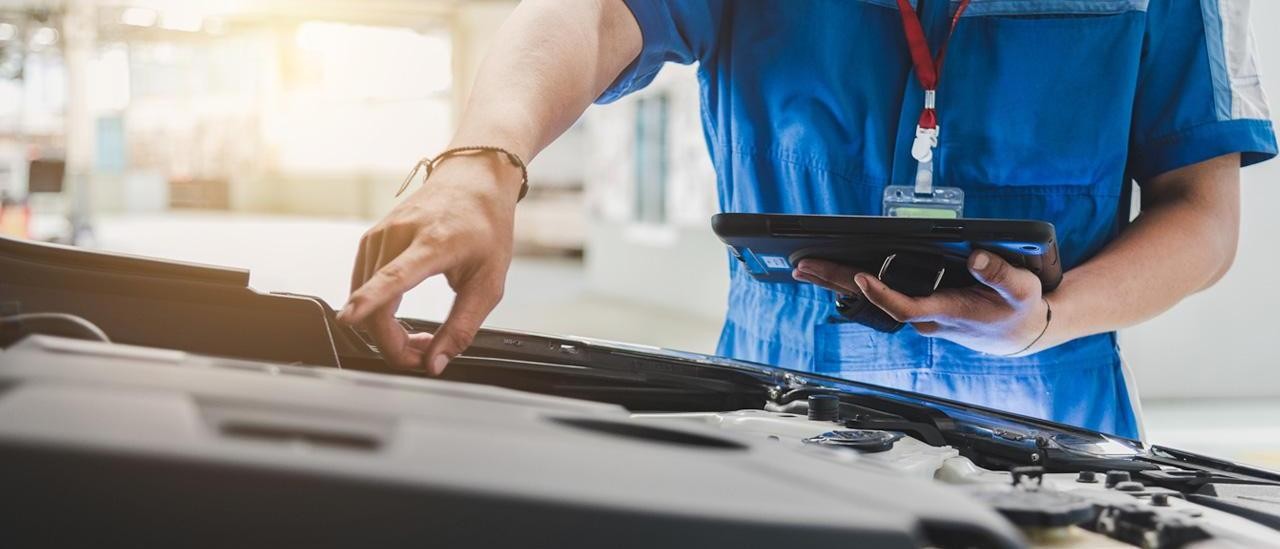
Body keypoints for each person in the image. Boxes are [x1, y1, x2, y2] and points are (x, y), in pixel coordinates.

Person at [337, 0, 1276, 439]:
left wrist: (1044, 320)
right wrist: (482, 161)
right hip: (775, 396)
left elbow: (1204, 214)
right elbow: (584, 14)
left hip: (1050, 410)